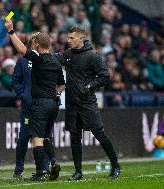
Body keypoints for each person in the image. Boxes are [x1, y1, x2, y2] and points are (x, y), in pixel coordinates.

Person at [55, 27, 121, 181]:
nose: (68, 40)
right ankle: (78, 172)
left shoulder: (92, 56)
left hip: (87, 102)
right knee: (74, 136)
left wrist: (89, 86)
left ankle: (116, 165)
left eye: (71, 38)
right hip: (72, 103)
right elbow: (52, 60)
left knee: (99, 133)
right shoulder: (67, 55)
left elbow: (105, 75)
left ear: (80, 38)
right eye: (68, 38)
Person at [5, 20, 65, 181]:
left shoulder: (39, 59)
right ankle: (53, 162)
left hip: (40, 104)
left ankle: (40, 173)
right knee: (46, 137)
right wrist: (56, 94)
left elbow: (22, 49)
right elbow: (62, 84)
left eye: (34, 43)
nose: (32, 46)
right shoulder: (56, 61)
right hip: (53, 104)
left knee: (36, 139)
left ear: (38, 45)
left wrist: (11, 32)